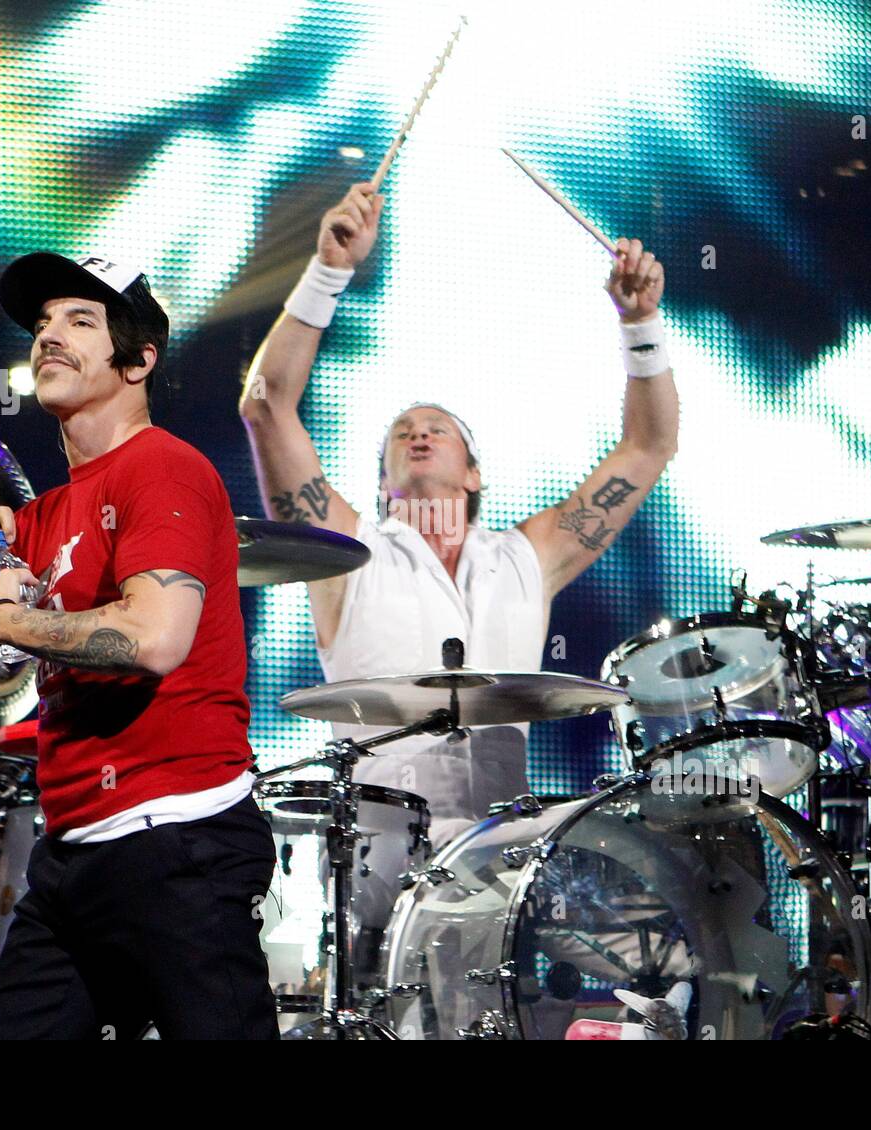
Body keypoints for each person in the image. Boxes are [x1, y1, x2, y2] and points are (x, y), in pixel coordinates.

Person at [239, 181, 678, 917]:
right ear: (382, 483)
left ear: (474, 473)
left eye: (437, 426)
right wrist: (329, 271)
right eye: (401, 430)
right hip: (380, 861)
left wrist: (642, 324)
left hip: (506, 855)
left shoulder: (525, 558)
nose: (418, 432)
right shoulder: (344, 551)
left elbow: (649, 444)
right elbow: (265, 404)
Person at [0, 253, 277, 1040]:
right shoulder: (45, 512)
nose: (50, 337)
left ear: (138, 361)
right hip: (73, 859)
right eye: (42, 325)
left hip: (176, 840)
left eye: (80, 321)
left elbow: (154, 637)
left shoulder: (163, 469)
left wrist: (1, 621)